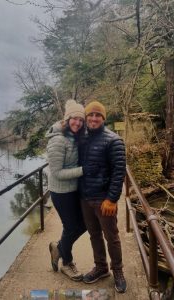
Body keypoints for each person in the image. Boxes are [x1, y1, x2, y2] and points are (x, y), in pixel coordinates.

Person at [46, 99, 98, 281]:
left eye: (80, 120)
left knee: (83, 223)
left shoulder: (74, 136)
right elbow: (57, 172)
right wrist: (84, 170)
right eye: (74, 119)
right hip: (61, 192)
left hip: (73, 189)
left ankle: (58, 247)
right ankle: (67, 263)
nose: (77, 123)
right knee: (71, 227)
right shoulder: (58, 140)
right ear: (67, 119)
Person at [79, 100, 127, 293]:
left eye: (98, 115)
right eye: (90, 115)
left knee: (112, 237)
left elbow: (119, 171)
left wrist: (112, 199)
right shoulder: (82, 138)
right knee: (94, 235)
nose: (93, 118)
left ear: (103, 118)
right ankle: (101, 267)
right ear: (86, 117)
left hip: (104, 199)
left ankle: (118, 271)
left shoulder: (113, 140)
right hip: (85, 197)